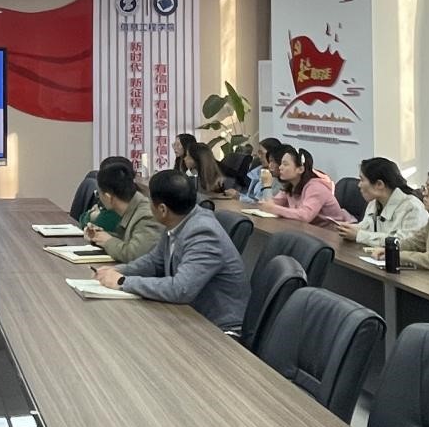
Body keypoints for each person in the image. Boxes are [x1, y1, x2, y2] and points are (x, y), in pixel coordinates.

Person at [94, 170, 250, 332]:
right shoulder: (179, 220)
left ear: (162, 209)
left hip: (219, 329)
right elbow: (154, 261)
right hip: (189, 315)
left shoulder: (203, 233)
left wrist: (123, 282)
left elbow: (181, 289)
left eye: (150, 200)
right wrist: (118, 271)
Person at [334, 157, 429, 247]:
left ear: (379, 184)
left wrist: (359, 235)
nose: (359, 185)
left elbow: (405, 243)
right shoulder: (374, 202)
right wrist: (348, 229)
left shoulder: (413, 207)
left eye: (362, 180)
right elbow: (366, 227)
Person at [82, 159, 162, 264]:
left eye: (98, 194)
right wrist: (98, 236)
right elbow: (128, 241)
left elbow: (135, 255)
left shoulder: (147, 216)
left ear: (108, 197)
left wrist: (107, 241)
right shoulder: (133, 208)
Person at [261, 146, 353, 226]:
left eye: (285, 164)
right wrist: (266, 186)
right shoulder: (291, 185)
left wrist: (274, 208)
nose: (280, 167)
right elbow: (269, 205)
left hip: (335, 232)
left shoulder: (315, 187)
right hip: (310, 230)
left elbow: (305, 216)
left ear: (300, 169)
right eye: (281, 163)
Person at [241, 137, 283, 202]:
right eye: (258, 153)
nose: (259, 156)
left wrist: (239, 197)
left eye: (261, 153)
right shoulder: (258, 171)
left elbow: (264, 203)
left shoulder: (279, 179)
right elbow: (251, 195)